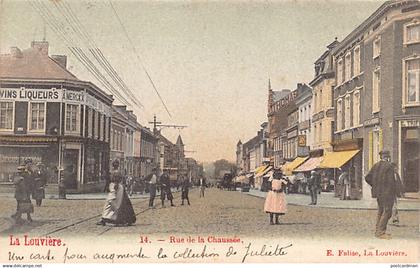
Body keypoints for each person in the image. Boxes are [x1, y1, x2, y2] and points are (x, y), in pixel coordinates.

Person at [365, 150, 404, 239]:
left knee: (381, 211)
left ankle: (377, 231)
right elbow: (392, 181)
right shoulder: (389, 166)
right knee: (387, 212)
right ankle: (381, 232)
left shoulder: (376, 165)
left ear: (381, 157)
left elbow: (367, 177)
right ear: (388, 157)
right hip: (388, 193)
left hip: (378, 193)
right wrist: (396, 192)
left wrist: (375, 185)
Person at [97, 160, 136, 226]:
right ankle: (122, 219)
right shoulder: (118, 172)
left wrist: (115, 185)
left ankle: (105, 219)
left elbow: (116, 181)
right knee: (120, 203)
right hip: (118, 188)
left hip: (115, 187)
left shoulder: (115, 172)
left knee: (111, 203)